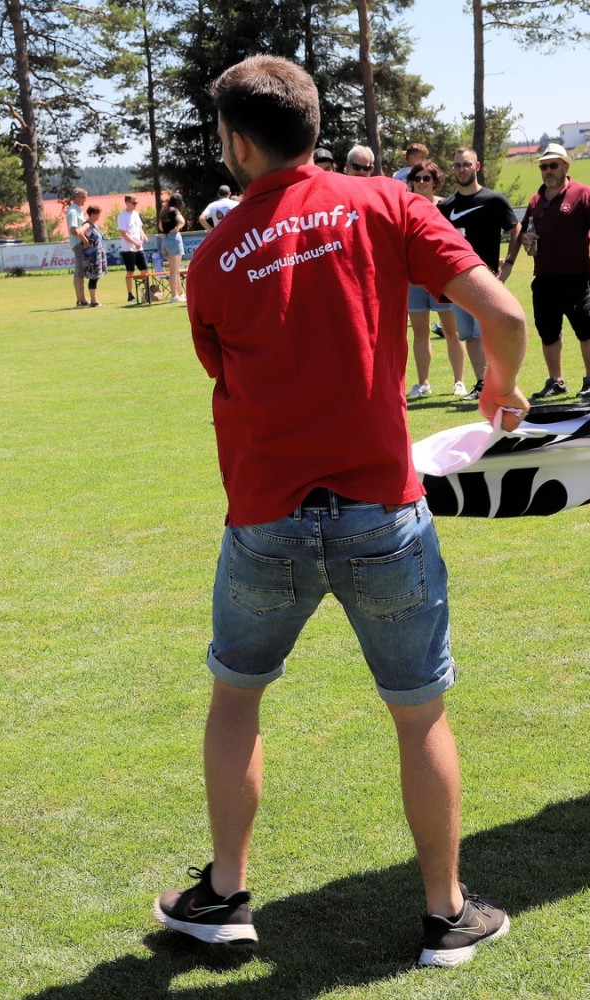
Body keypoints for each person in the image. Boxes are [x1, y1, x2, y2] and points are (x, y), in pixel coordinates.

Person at [158, 53, 529, 968]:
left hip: (266, 518)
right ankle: (446, 914)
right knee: (419, 715)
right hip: (382, 512)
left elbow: (224, 368)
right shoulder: (388, 202)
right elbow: (504, 315)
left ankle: (226, 896)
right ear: (314, 124)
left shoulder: (212, 257)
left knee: (236, 701)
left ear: (237, 143)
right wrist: (499, 386)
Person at [502, 143, 590, 399]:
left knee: (586, 328)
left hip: (576, 277)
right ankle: (556, 381)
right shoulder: (536, 199)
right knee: (548, 332)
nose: (548, 171)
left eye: (553, 165)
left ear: (565, 166)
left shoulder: (583, 193)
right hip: (544, 278)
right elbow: (523, 232)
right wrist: (525, 241)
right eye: (544, 167)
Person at [441, 145, 521, 402]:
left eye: (466, 164)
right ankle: (482, 385)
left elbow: (516, 230)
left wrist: (508, 265)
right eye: (457, 165)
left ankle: (501, 385)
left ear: (477, 166)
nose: (462, 169)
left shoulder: (493, 200)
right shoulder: (446, 206)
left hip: (487, 279)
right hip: (458, 282)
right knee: (469, 335)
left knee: (489, 333)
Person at [405, 162, 466, 397]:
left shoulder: (445, 206)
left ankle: (459, 382)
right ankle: (423, 384)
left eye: (427, 178)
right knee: (420, 334)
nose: (421, 182)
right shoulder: (405, 205)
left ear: (435, 181)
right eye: (417, 178)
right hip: (414, 280)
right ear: (411, 182)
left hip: (442, 277)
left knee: (452, 332)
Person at [115, 194, 147, 302]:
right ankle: (130, 295)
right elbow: (123, 233)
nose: (135, 205)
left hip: (139, 248)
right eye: (134, 203)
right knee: (130, 271)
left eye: (136, 203)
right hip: (128, 249)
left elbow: (140, 228)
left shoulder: (136, 214)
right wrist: (134, 242)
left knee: (144, 270)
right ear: (127, 203)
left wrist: (143, 235)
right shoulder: (122, 216)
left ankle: (146, 292)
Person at [77, 205, 107, 307]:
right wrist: (86, 242)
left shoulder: (94, 225)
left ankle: (94, 300)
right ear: (93, 214)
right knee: (93, 277)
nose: (99, 216)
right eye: (98, 214)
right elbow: (79, 232)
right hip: (92, 257)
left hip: (97, 256)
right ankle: (94, 301)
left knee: (96, 277)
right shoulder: (88, 225)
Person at [160, 192, 188, 303]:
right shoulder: (175, 211)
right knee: (174, 271)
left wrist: (167, 231)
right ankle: (174, 296)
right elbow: (182, 221)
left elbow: (160, 226)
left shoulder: (164, 211)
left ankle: (180, 294)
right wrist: (175, 229)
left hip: (165, 240)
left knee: (174, 270)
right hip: (174, 239)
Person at [65, 188, 90, 307]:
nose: (85, 199)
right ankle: (82, 300)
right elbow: (73, 230)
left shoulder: (78, 210)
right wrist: (85, 240)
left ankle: (80, 299)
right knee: (80, 273)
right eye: (84, 197)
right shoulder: (73, 211)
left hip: (79, 243)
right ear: (77, 197)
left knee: (78, 272)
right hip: (78, 244)